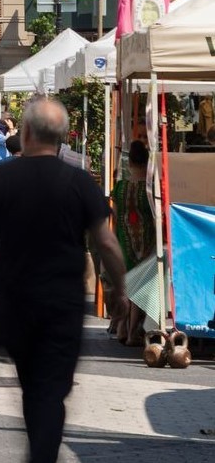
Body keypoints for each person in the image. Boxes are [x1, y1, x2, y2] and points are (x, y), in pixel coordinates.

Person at [0, 97, 127, 463]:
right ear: (65, 136)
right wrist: (120, 289)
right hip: (62, 306)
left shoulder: (0, 179)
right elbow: (105, 242)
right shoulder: (79, 181)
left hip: (15, 302)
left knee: (34, 387)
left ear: (28, 133)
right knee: (50, 391)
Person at [108, 140, 154, 348]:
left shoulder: (119, 188)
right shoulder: (150, 188)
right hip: (145, 239)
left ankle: (121, 327)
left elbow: (115, 215)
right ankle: (132, 331)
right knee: (141, 283)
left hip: (124, 237)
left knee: (126, 282)